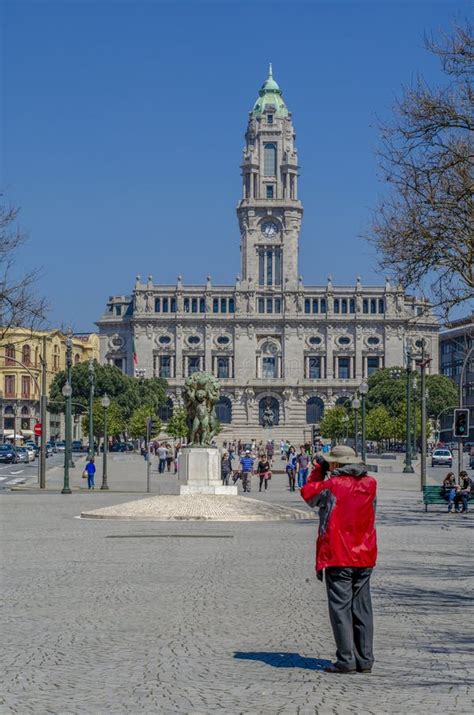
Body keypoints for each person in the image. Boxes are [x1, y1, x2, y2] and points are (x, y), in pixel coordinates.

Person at [300, 445, 377, 674]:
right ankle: (365, 659)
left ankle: (346, 659)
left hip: (338, 553)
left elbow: (308, 493)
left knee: (340, 608)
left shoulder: (332, 485)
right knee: (362, 608)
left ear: (334, 464)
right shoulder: (371, 484)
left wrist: (318, 471)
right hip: (365, 553)